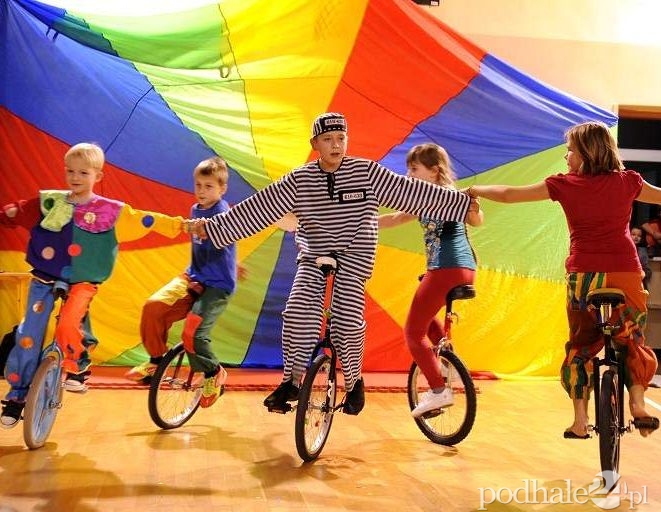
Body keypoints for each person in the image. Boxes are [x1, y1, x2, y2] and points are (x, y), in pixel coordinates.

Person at [189, 112, 477, 415]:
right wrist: (213, 227)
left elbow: (411, 192)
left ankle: (353, 383)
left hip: (355, 254)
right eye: (328, 139)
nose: (336, 145)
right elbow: (261, 207)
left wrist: (462, 203)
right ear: (315, 144)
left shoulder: (366, 172)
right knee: (297, 312)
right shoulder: (299, 179)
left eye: (341, 138)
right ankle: (291, 382)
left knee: (346, 321)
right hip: (314, 253)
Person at [467, 121, 660, 438]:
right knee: (631, 338)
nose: (566, 156)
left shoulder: (564, 184)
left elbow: (510, 194)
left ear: (585, 153)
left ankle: (580, 421)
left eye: (570, 150)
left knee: (581, 346)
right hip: (624, 272)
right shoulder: (629, 181)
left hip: (583, 276)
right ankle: (638, 405)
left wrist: (476, 190)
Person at [0, 142, 186, 428]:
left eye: (83, 172)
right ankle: (17, 396)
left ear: (98, 176)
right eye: (70, 171)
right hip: (45, 276)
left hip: (83, 281)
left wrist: (182, 225)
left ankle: (77, 365)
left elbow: (146, 219)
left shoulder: (111, 211)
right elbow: (17, 211)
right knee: (28, 335)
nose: (75, 177)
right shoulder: (49, 202)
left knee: (68, 324)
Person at [125, 157, 243, 408]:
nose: (202, 191)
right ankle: (156, 360)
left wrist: (206, 230)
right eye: (198, 185)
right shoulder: (195, 210)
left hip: (217, 286)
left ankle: (213, 372)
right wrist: (234, 261)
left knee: (193, 333)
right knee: (154, 307)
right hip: (193, 276)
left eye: (209, 186)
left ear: (222, 189)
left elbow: (223, 228)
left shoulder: (222, 212)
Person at [378, 143, 484, 417]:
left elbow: (476, 220)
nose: (409, 175)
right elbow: (395, 218)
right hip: (462, 268)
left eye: (414, 169)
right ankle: (448, 365)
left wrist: (473, 207)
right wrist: (363, 222)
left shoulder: (449, 195)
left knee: (412, 333)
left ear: (434, 171)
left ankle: (438, 390)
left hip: (447, 267)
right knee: (426, 319)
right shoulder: (425, 198)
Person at [630, 226, 652, 290]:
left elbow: (648, 271)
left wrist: (640, 275)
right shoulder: (623, 250)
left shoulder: (642, 251)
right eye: (633, 234)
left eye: (639, 236)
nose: (636, 237)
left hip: (639, 283)